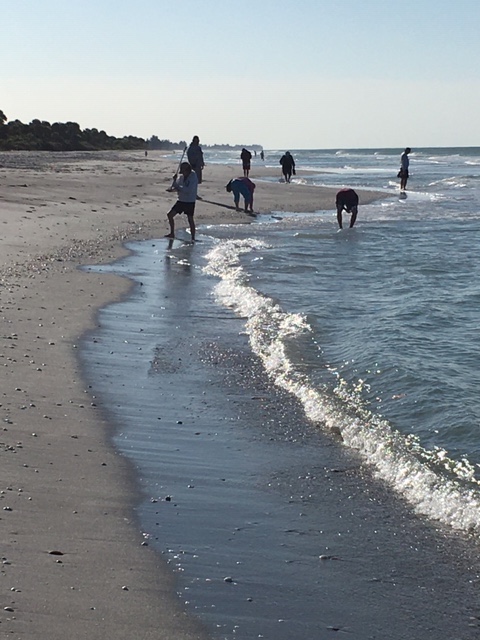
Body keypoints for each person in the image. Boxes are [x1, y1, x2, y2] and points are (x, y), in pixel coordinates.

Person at [165, 162, 198, 241]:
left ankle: (193, 238)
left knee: (190, 219)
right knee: (170, 215)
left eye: (183, 171)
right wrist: (174, 181)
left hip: (190, 201)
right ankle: (172, 233)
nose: (183, 173)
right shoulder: (181, 177)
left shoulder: (193, 177)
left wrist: (177, 187)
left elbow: (188, 190)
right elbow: (177, 187)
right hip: (181, 200)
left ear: (188, 170)